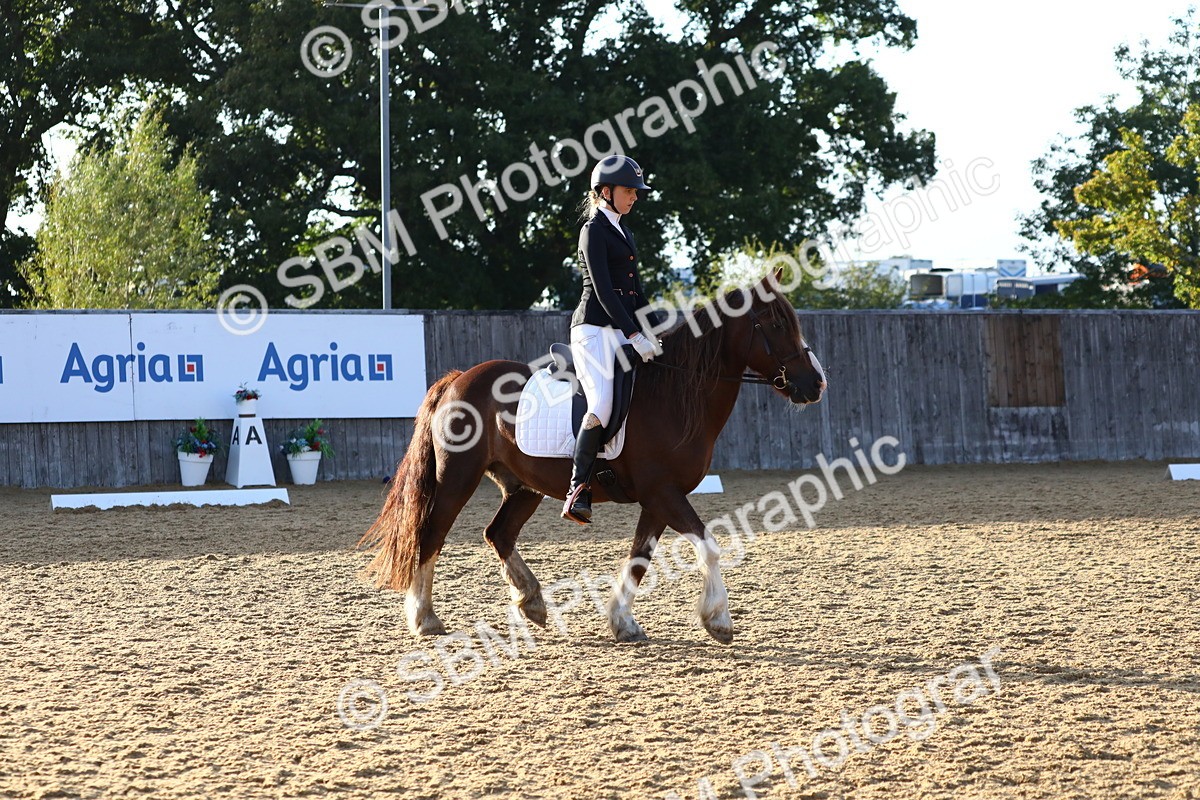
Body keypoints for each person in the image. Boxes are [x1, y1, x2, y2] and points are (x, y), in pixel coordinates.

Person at [562, 155, 659, 525]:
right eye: (628, 190)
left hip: (621, 327)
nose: (634, 197)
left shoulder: (623, 230)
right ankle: (577, 488)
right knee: (601, 404)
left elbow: (636, 293)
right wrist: (634, 333)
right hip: (593, 329)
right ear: (605, 191)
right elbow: (604, 291)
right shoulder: (594, 230)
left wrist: (653, 330)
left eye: (636, 191)